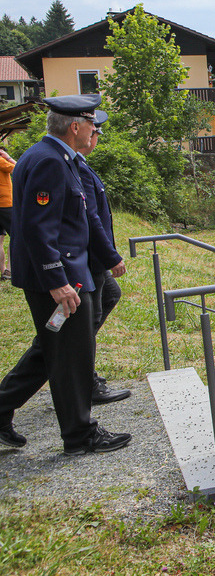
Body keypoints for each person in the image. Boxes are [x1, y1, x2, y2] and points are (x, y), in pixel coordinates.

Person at [0, 94, 130, 455]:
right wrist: (57, 280)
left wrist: (106, 256)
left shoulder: (61, 159)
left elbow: (82, 216)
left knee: (57, 351)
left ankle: (5, 409)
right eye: (91, 123)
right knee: (70, 357)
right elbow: (39, 229)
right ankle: (80, 435)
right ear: (75, 126)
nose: (94, 130)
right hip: (61, 278)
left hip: (71, 273)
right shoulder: (48, 162)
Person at [77, 109, 131, 405]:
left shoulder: (80, 165)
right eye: (95, 131)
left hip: (91, 259)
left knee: (109, 296)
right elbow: (91, 217)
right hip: (88, 259)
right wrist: (110, 256)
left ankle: (78, 366)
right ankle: (82, 376)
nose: (96, 137)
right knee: (83, 324)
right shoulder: (77, 168)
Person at [0, 147, 14, 281]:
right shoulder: (1, 161)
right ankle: (9, 269)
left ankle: (2, 269)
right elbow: (18, 168)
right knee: (15, 235)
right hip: (5, 204)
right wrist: (7, 157)